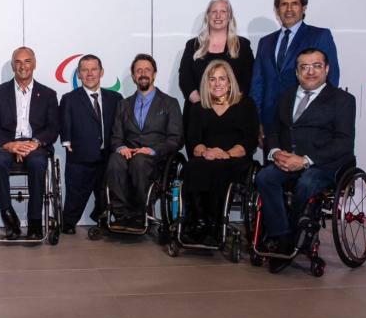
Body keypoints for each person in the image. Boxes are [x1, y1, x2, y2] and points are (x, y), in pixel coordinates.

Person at [255, 48, 354, 273]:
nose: (310, 72)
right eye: (304, 67)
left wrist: (306, 160)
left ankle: (294, 237)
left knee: (307, 183)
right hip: (287, 160)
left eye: (316, 66)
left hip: (324, 164)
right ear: (297, 72)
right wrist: (275, 152)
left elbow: (344, 142)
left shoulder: (343, 100)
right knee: (265, 177)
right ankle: (281, 237)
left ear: (327, 69)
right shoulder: (287, 95)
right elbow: (274, 130)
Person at [0, 47, 59, 240]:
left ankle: (34, 221)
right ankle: (8, 215)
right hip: (6, 145)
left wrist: (34, 143)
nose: (22, 66)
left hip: (35, 146)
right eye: (18, 62)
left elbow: (53, 127)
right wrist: (9, 145)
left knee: (37, 163)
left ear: (34, 64)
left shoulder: (48, 94)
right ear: (12, 66)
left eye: (27, 61)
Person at [251, 0, 340, 149]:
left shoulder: (319, 36)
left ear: (304, 7)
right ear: (277, 9)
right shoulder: (265, 42)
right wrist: (256, 120)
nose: (289, 9)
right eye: (284, 4)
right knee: (271, 172)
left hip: (308, 122)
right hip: (270, 122)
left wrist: (323, 118)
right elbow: (257, 84)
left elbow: (331, 78)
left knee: (307, 173)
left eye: (294, 4)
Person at [183, 60, 259, 245]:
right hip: (207, 157)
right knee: (191, 167)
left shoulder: (245, 104)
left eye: (222, 78)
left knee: (219, 169)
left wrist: (228, 153)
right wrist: (206, 152)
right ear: (206, 83)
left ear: (230, 82)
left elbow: (250, 140)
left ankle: (215, 224)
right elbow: (193, 141)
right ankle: (199, 221)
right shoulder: (198, 107)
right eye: (212, 79)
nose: (217, 83)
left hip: (236, 159)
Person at [106, 54, 183, 232]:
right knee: (115, 160)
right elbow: (116, 136)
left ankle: (140, 213)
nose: (143, 74)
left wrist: (152, 150)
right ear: (133, 76)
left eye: (147, 69)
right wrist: (122, 147)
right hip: (129, 155)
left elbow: (176, 138)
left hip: (156, 159)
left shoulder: (170, 103)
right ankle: (122, 215)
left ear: (154, 74)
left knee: (140, 161)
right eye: (138, 70)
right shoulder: (123, 105)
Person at [59, 54, 121, 234]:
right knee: (75, 194)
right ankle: (69, 222)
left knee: (105, 194)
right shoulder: (69, 99)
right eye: (85, 70)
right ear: (79, 74)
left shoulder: (115, 98)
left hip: (107, 157)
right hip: (80, 155)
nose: (90, 74)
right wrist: (66, 141)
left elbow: (120, 125)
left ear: (101, 72)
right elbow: (65, 122)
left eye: (94, 69)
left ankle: (101, 217)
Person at [178, 0, 253, 139]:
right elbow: (185, 79)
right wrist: (202, 104)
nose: (218, 16)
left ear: (230, 16)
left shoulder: (242, 46)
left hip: (233, 116)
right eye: (214, 11)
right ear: (207, 16)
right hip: (198, 116)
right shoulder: (192, 45)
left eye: (223, 11)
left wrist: (225, 108)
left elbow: (247, 80)